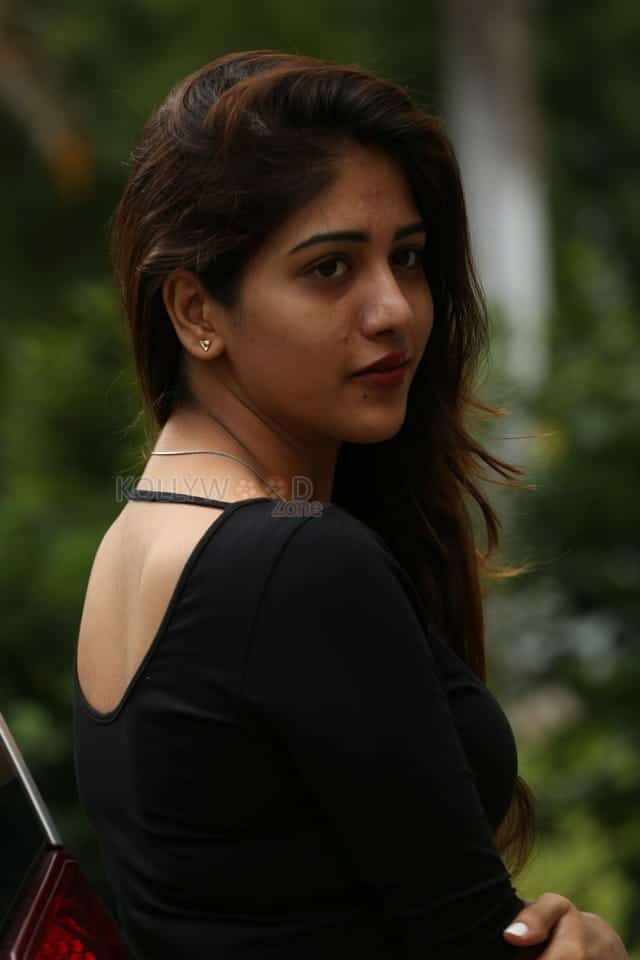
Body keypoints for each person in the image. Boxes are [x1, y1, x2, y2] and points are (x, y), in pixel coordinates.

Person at [72, 50, 627, 959]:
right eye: (329, 269)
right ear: (196, 312)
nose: (394, 309)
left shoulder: (140, 536)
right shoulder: (294, 559)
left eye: (406, 258)